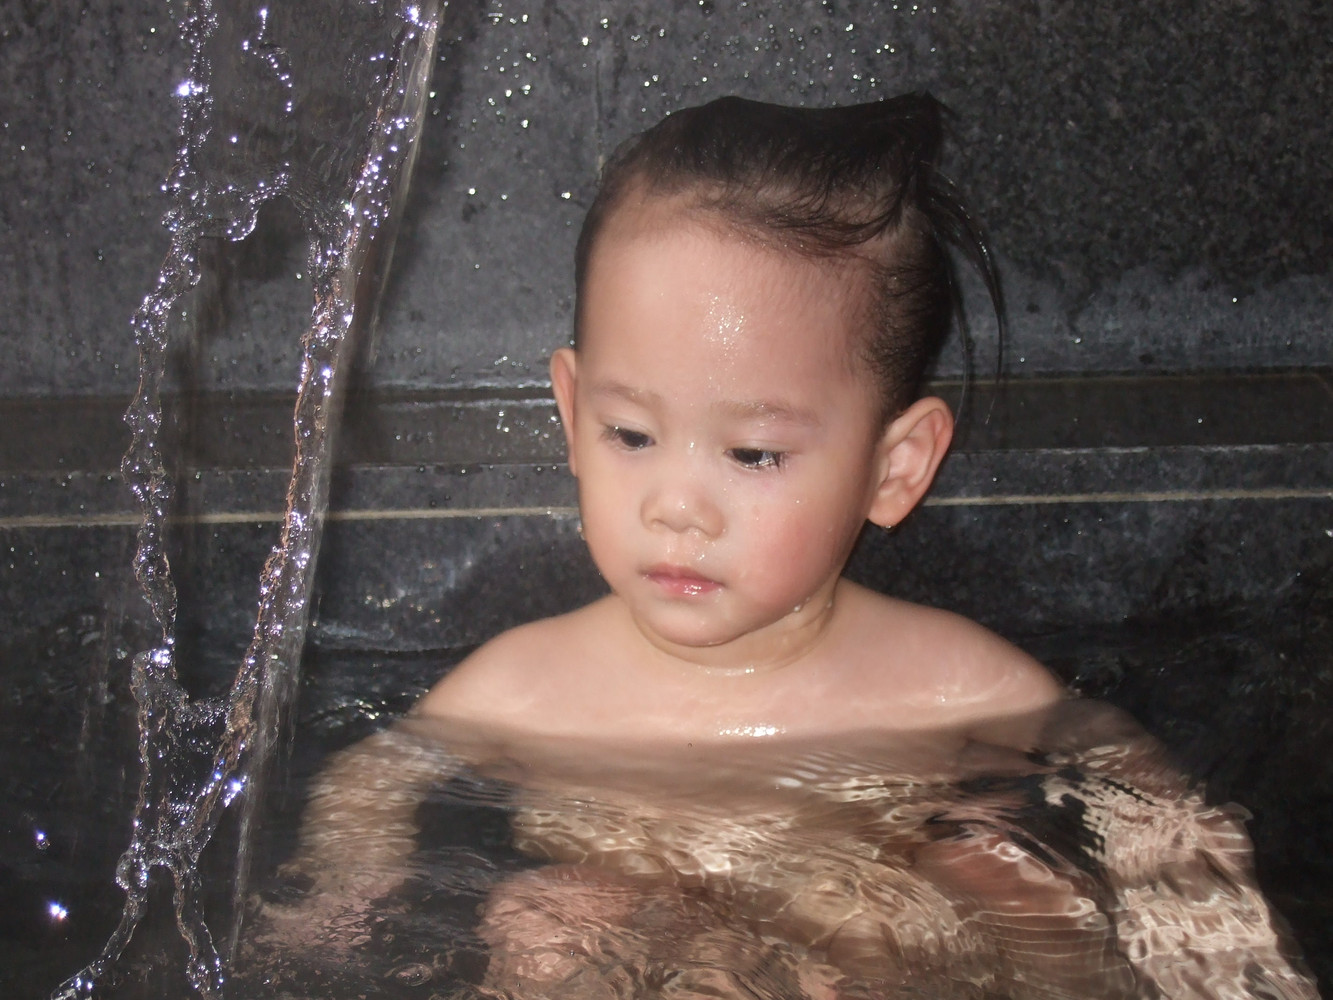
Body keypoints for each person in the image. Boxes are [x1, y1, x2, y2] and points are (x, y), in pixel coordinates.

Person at [253, 96, 1319, 999]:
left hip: (852, 959)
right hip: (626, 962)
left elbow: (1126, 776)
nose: (678, 506)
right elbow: (371, 780)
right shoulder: (527, 685)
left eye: (753, 454)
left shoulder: (948, 683)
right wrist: (345, 891)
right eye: (631, 434)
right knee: (550, 916)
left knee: (989, 876)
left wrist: (1195, 911)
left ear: (892, 468)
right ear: (571, 413)